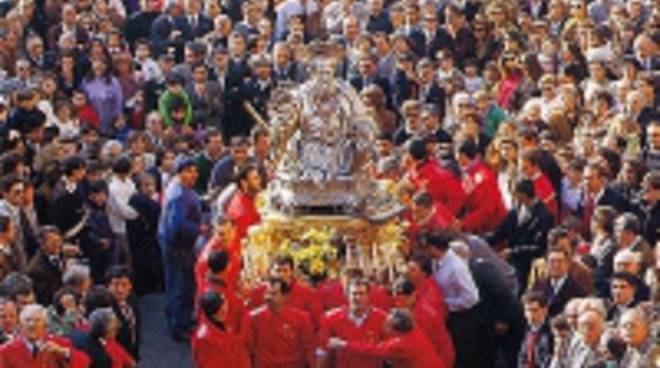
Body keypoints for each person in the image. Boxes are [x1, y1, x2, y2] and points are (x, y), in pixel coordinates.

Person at [158, 158, 206, 340]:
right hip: (179, 247)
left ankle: (177, 318)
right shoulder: (179, 194)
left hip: (173, 245)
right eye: (188, 171)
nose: (193, 175)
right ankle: (179, 326)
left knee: (175, 282)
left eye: (195, 171)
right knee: (181, 286)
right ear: (179, 173)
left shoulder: (179, 189)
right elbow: (178, 224)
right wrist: (199, 229)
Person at [421, 230, 480, 368]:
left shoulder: (456, 268)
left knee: (462, 355)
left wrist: (446, 303)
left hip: (461, 318)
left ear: (434, 249)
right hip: (448, 313)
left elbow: (472, 297)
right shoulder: (437, 262)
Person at [327, 308, 446, 368]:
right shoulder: (414, 330)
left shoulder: (402, 344)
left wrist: (343, 344)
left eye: (387, 326)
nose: (383, 327)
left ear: (396, 330)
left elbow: (372, 349)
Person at [242, 277, 315, 368]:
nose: (268, 297)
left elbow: (307, 347)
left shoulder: (302, 318)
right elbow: (247, 348)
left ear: (286, 296)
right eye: (267, 293)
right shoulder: (253, 318)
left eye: (274, 294)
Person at [317, 277, 388, 368]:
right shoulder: (331, 318)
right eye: (354, 294)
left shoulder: (382, 319)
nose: (358, 298)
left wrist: (345, 344)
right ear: (347, 296)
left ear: (368, 296)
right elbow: (322, 351)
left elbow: (386, 350)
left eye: (362, 294)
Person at [391, 277, 455, 367]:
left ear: (414, 294)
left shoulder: (425, 315)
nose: (398, 304)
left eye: (402, 300)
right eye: (396, 300)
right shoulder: (410, 309)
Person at [0, 304, 90, 368]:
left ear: (45, 324)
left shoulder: (59, 343)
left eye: (37, 320)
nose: (32, 324)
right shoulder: (6, 350)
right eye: (28, 320)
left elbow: (85, 362)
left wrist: (62, 351)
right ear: (20, 325)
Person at [191, 291, 249, 368]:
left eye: (224, 304)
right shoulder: (204, 339)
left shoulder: (224, 320)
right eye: (220, 311)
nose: (225, 310)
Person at [532, 246, 587, 317]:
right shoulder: (538, 285)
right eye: (552, 261)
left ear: (568, 264)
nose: (556, 265)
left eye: (560, 261)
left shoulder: (578, 291)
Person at [225, 162, 262, 240]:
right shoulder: (241, 212)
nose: (259, 181)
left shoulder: (246, 196)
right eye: (255, 178)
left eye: (258, 177)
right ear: (244, 183)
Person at [518, 291, 553, 368]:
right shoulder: (526, 329)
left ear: (545, 310)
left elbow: (548, 360)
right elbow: (522, 357)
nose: (530, 315)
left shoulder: (551, 331)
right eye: (527, 310)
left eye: (534, 310)